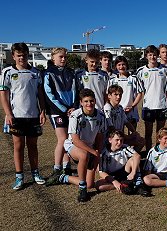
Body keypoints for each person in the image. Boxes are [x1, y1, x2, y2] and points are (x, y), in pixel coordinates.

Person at [0, 42, 46, 190]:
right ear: (13, 56)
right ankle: (19, 176)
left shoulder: (35, 72)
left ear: (28, 55)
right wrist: (8, 113)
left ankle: (35, 173)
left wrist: (42, 111)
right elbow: (3, 94)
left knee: (33, 146)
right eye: (19, 55)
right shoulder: (7, 72)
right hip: (16, 116)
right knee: (18, 146)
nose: (22, 58)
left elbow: (40, 94)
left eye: (24, 55)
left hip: (33, 115)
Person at [54, 89, 105, 202]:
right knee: (84, 155)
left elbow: (100, 137)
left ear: (95, 101)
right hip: (73, 146)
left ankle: (64, 178)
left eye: (91, 101)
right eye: (86, 101)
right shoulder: (75, 115)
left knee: (90, 184)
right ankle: (82, 189)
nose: (89, 104)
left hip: (90, 148)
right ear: (81, 102)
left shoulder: (101, 115)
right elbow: (76, 140)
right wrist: (93, 152)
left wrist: (98, 153)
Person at [44, 47, 78, 185]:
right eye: (60, 57)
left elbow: (77, 90)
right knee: (62, 139)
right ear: (53, 58)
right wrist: (65, 109)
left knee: (69, 139)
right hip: (57, 111)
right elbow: (49, 95)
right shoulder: (48, 73)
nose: (63, 59)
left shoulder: (71, 73)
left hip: (71, 110)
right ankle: (56, 169)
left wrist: (74, 107)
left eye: (65, 57)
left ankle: (66, 167)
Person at [95, 129, 150, 196]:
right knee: (99, 186)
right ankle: (124, 185)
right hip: (112, 176)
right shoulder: (104, 153)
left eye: (121, 140)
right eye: (117, 140)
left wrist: (133, 172)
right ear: (110, 140)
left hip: (125, 171)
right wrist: (115, 182)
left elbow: (137, 156)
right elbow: (102, 172)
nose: (119, 142)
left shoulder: (124, 147)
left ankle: (139, 184)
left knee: (133, 159)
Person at [136, 45, 167, 151]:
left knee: (159, 133)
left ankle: (158, 152)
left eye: (154, 55)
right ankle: (148, 153)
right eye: (150, 55)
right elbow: (139, 90)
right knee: (148, 133)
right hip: (148, 106)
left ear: (158, 55)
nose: (152, 57)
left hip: (162, 105)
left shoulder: (165, 69)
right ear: (146, 56)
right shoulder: (141, 71)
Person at [104, 85, 145, 152]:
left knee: (141, 141)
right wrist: (127, 137)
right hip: (111, 140)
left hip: (120, 137)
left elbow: (127, 122)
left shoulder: (120, 108)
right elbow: (111, 129)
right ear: (109, 96)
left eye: (120, 95)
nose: (118, 97)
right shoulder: (107, 108)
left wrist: (135, 133)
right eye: (115, 94)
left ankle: (128, 158)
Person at [108, 56, 143, 130]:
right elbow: (108, 95)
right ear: (116, 66)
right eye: (119, 65)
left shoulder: (134, 78)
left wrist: (132, 107)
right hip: (117, 111)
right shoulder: (112, 80)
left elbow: (139, 94)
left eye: (123, 64)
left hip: (131, 111)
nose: (121, 67)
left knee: (133, 134)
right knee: (119, 134)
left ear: (126, 65)